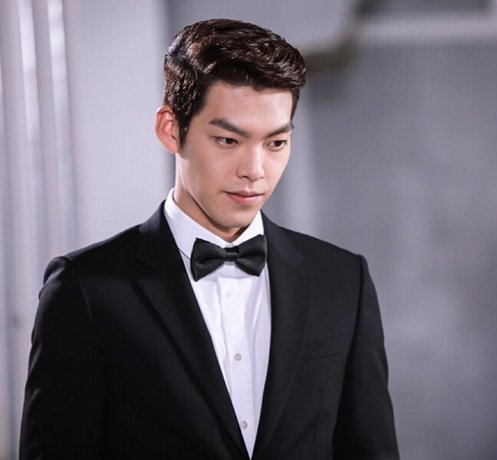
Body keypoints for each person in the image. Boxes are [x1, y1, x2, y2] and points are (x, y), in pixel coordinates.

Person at [19, 18, 399, 460]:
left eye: (276, 143)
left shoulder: (344, 280)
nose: (254, 170)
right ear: (170, 129)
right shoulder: (86, 289)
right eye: (227, 140)